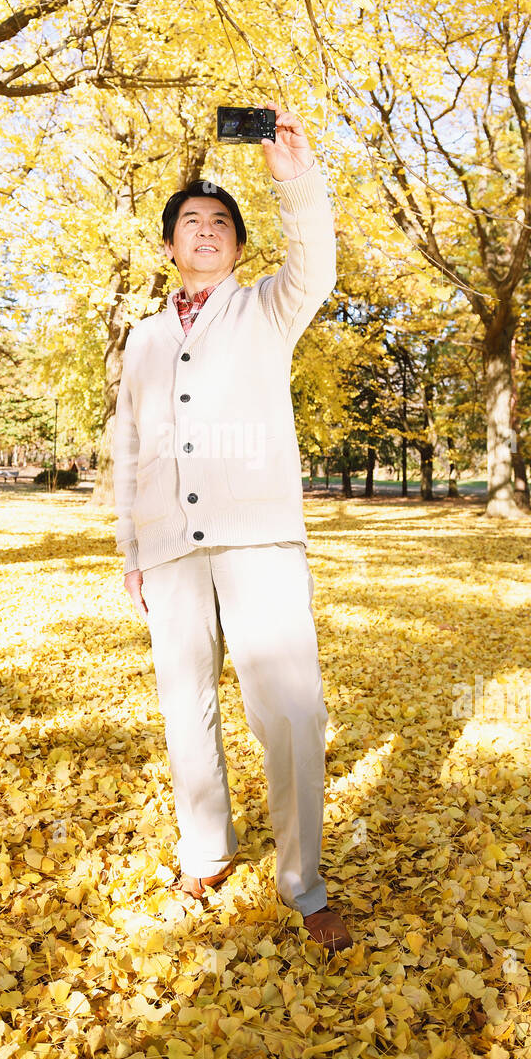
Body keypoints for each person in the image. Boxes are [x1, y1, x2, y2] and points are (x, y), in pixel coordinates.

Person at [112, 100, 353, 953]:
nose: (205, 230)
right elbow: (129, 446)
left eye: (220, 222)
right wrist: (132, 552)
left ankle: (304, 883)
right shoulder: (140, 339)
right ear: (169, 245)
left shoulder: (266, 309)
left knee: (288, 712)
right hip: (169, 550)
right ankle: (205, 852)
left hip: (258, 543)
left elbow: (316, 263)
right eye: (190, 222)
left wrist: (295, 179)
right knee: (186, 708)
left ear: (237, 246)